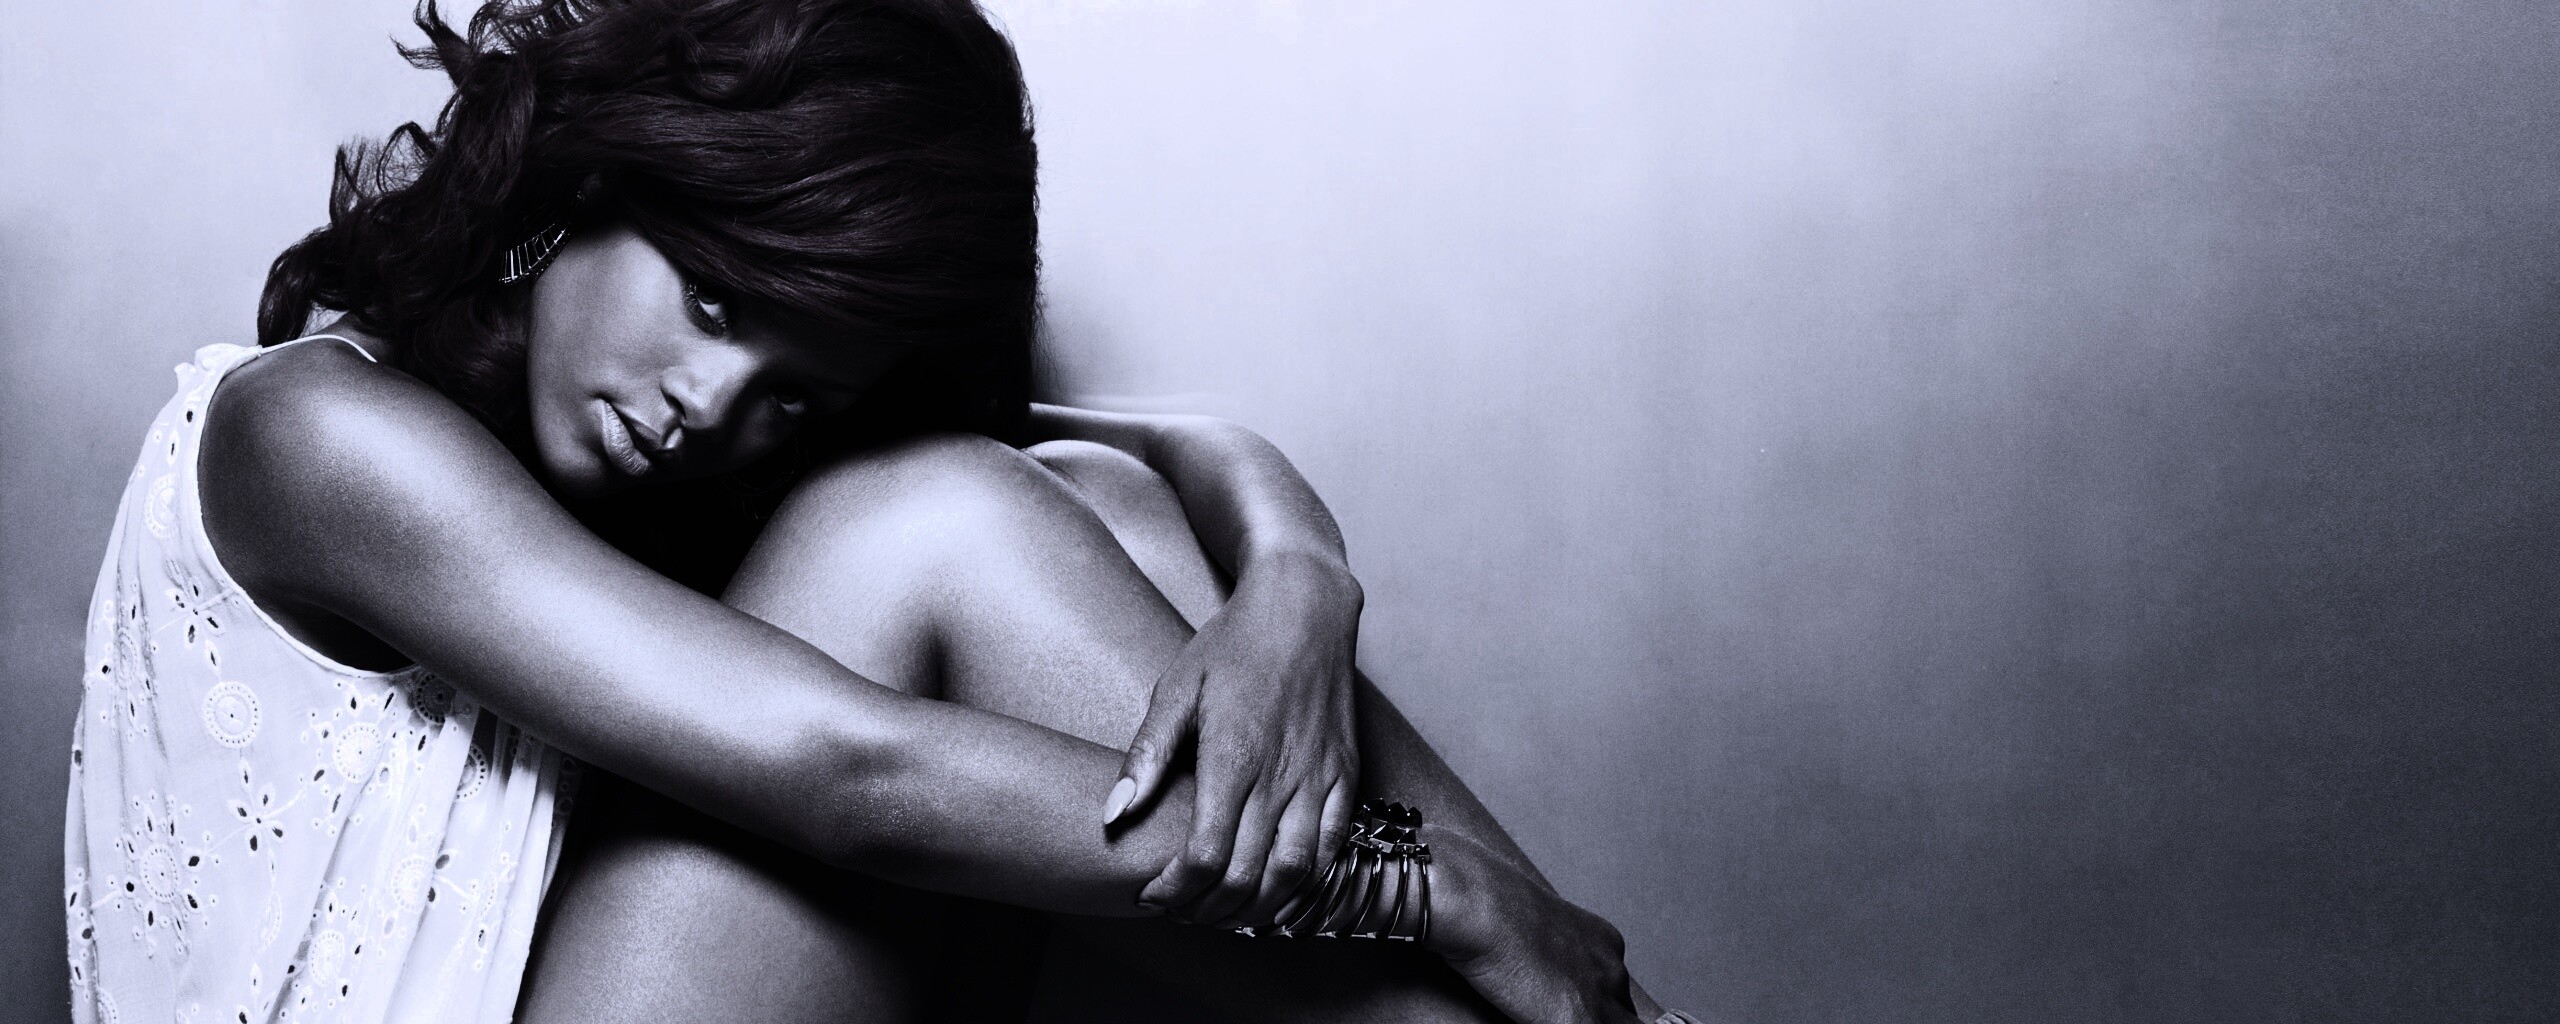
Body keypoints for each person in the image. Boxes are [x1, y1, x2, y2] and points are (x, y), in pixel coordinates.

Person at [62, 0, 1688, 1021]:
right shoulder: (309, 434)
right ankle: (1557, 984)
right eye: (714, 300)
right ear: (596, 182)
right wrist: (1424, 880)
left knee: (1091, 499)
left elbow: (1167, 448)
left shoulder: (668, 465)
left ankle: (1584, 999)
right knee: (943, 523)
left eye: (793, 390)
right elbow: (854, 778)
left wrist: (1302, 593)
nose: (712, 406)